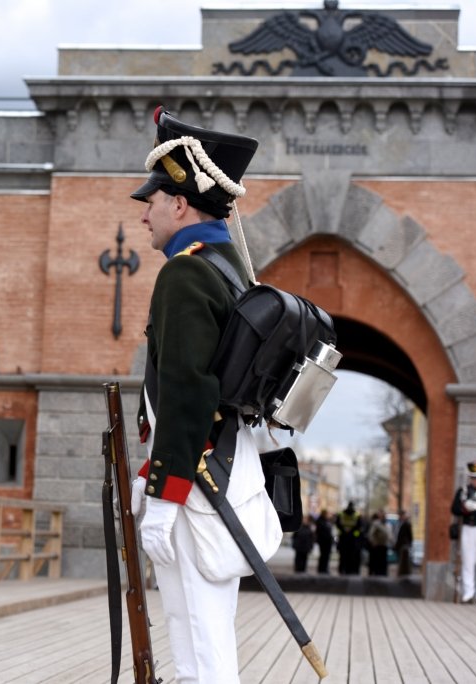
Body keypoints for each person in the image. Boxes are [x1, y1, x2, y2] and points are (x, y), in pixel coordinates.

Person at [128, 106, 280, 683]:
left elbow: (187, 390)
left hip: (195, 487)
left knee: (197, 652)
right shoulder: (229, 268)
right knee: (208, 647)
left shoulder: (187, 273)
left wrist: (164, 497)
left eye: (154, 200)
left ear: (182, 204)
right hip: (222, 476)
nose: (146, 214)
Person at [450, 461, 476, 604]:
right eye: (473, 478)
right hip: (468, 528)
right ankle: (468, 593)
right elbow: (454, 509)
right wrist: (465, 509)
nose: (475, 480)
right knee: (467, 560)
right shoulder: (463, 491)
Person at [336, 502, 363, 575]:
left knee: (342, 555)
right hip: (352, 539)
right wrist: (353, 534)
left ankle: (342, 569)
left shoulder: (341, 514)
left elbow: (337, 524)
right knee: (351, 555)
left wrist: (344, 531)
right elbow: (359, 527)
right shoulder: (356, 515)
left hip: (343, 538)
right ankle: (349, 570)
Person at [367, 511, 390, 576]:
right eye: (383, 516)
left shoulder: (386, 524)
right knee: (378, 561)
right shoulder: (376, 524)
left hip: (384, 545)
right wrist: (373, 542)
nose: (384, 517)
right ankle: (378, 573)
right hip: (378, 545)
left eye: (385, 516)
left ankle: (383, 573)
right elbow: (370, 534)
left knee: (383, 561)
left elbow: (389, 535)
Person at [315, 509, 334, 574]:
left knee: (326, 556)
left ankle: (324, 568)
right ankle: (322, 569)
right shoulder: (320, 521)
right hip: (323, 541)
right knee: (324, 555)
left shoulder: (327, 521)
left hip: (328, 541)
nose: (328, 515)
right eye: (327, 514)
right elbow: (321, 531)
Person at [395, 510, 413, 577]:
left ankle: (404, 572)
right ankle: (401, 572)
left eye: (401, 515)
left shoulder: (406, 524)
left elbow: (410, 536)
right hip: (400, 544)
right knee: (400, 559)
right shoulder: (399, 523)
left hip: (404, 545)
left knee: (404, 559)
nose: (400, 517)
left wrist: (409, 543)